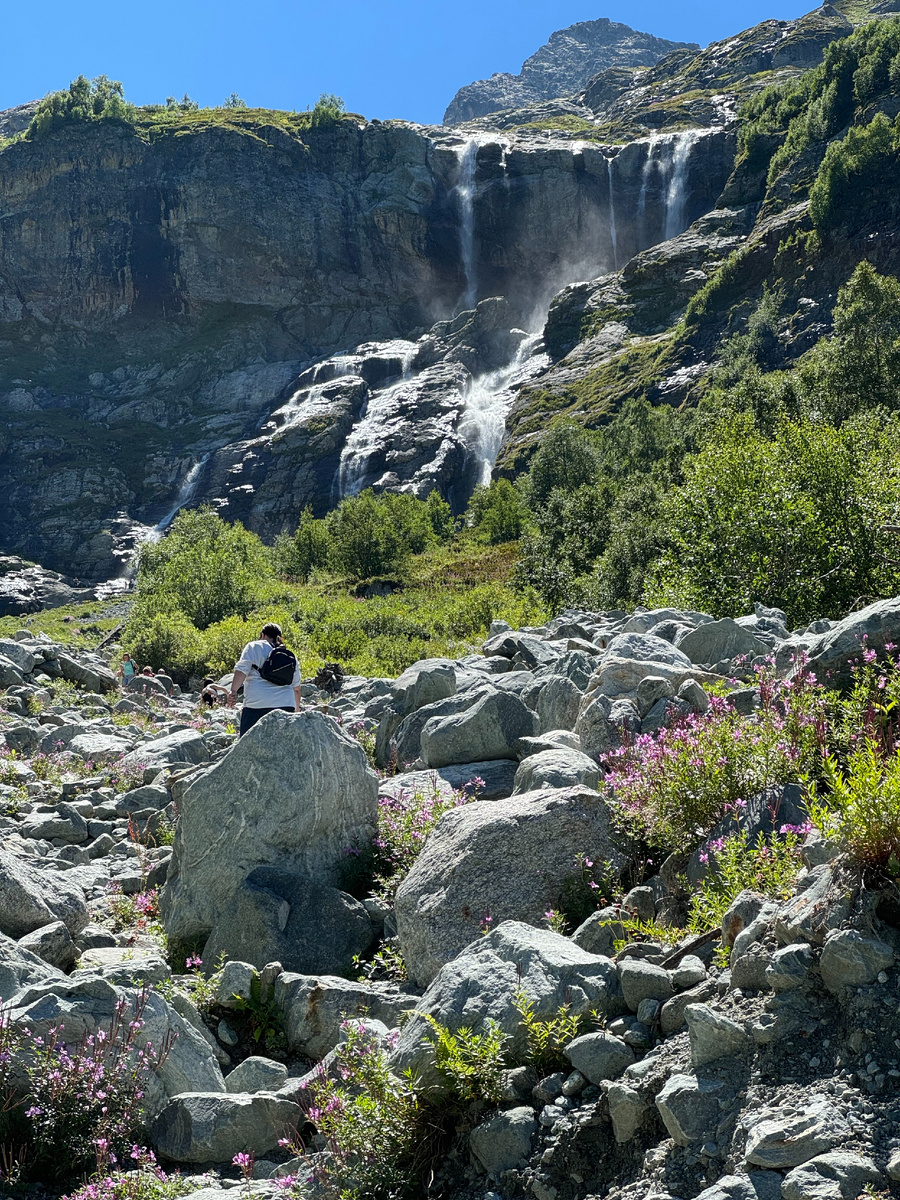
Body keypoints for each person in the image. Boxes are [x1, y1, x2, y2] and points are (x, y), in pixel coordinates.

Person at [228, 622, 301, 736]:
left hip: (256, 705)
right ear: (279, 637)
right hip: (285, 705)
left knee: (248, 747)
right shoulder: (289, 656)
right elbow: (296, 689)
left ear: (262, 635)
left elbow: (241, 670)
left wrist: (233, 692)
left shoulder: (253, 646)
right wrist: (295, 712)